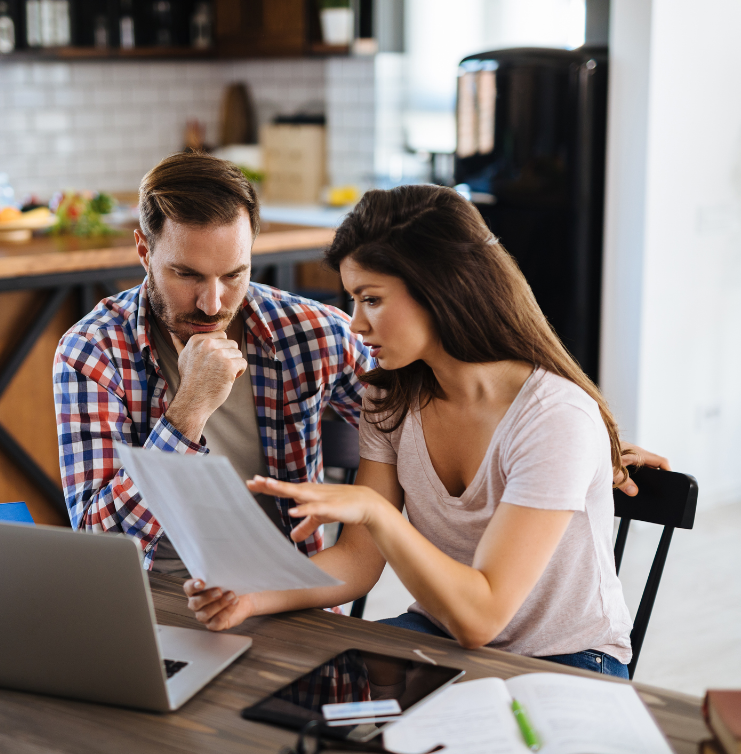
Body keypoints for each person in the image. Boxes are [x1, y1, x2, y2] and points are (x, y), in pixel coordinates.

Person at [183, 184, 671, 679]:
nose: (355, 324)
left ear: (442, 288)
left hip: (565, 661)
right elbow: (357, 562)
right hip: (438, 636)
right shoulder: (390, 397)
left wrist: (377, 513)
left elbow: (481, 618)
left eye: (371, 299)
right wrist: (250, 595)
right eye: (353, 300)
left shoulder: (555, 417)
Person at [53, 151, 373, 575]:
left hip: (291, 596)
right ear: (144, 252)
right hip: (156, 599)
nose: (212, 304)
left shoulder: (312, 332)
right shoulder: (92, 352)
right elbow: (101, 545)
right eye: (187, 275)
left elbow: (412, 434)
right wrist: (188, 411)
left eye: (233, 275)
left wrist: (362, 533)